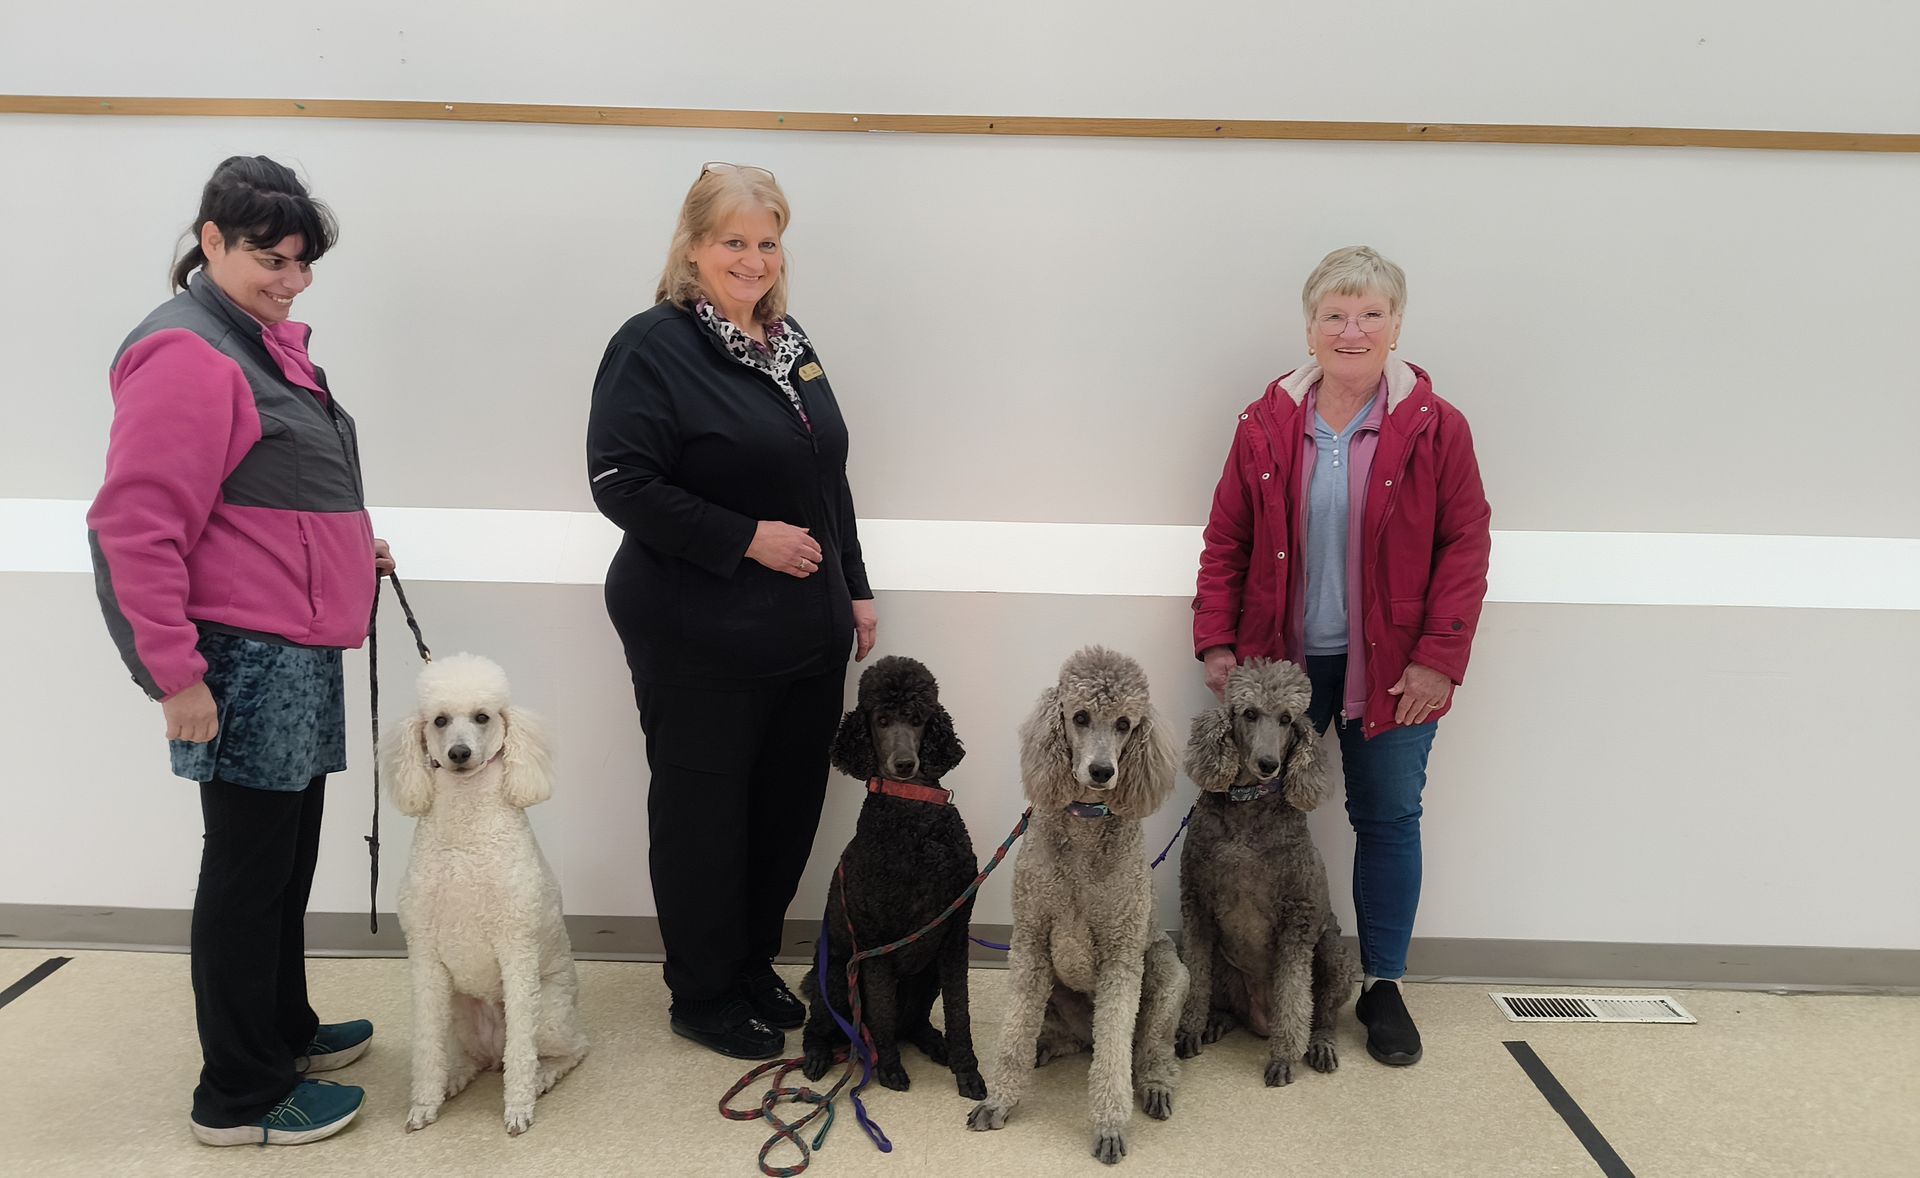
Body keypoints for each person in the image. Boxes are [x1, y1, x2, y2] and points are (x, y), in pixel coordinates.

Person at [87, 156, 394, 1145]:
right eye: (271, 257)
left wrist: (351, 545)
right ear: (211, 239)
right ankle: (239, 1094)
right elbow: (134, 526)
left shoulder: (258, 341)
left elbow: (270, 490)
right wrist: (172, 675)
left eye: (304, 261)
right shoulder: (188, 353)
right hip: (244, 658)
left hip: (292, 648)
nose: (292, 278)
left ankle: (283, 1028)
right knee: (250, 868)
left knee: (287, 854)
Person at [587, 162, 878, 1060]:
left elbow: (826, 478)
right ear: (692, 247)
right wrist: (747, 538)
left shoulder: (790, 344)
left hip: (802, 632)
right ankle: (703, 992)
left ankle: (751, 962)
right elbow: (619, 482)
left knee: (784, 812)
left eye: (766, 241)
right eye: (732, 242)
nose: (752, 259)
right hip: (696, 630)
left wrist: (855, 585)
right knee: (705, 817)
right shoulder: (654, 344)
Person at [1192, 245, 1491, 1067]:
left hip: (1394, 667)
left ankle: (1381, 986)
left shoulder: (1437, 427)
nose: (1351, 330)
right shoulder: (1265, 424)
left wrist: (1439, 659)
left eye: (1369, 315)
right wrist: (1218, 643)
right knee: (1251, 814)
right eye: (1334, 314)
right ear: (1311, 325)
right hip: (1277, 664)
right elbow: (1228, 539)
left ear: (1397, 326)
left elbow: (1465, 546)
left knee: (1387, 818)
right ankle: (1240, 980)